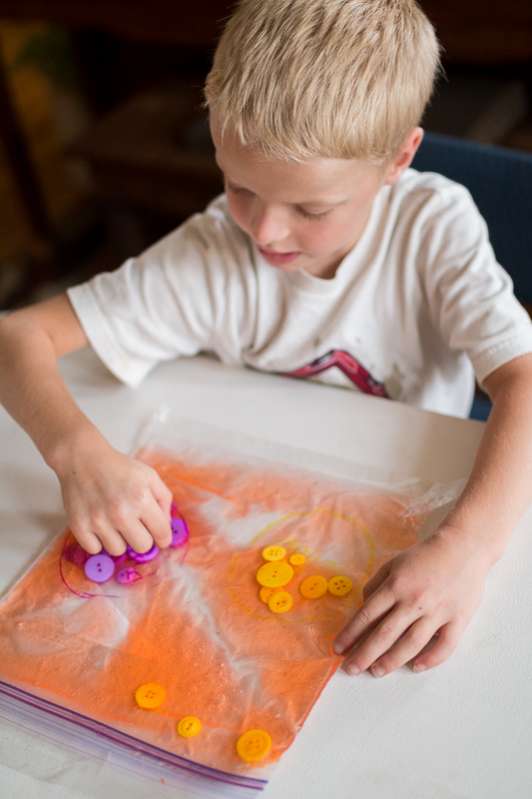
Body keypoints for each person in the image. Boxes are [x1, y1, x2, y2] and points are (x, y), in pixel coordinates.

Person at [1, 0, 531, 680]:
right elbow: (18, 336)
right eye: (240, 186)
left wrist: (467, 547)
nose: (266, 232)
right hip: (261, 519)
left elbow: (524, 376)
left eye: (310, 208)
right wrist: (78, 452)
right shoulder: (212, 252)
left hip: (409, 513)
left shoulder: (434, 228)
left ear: (399, 157)